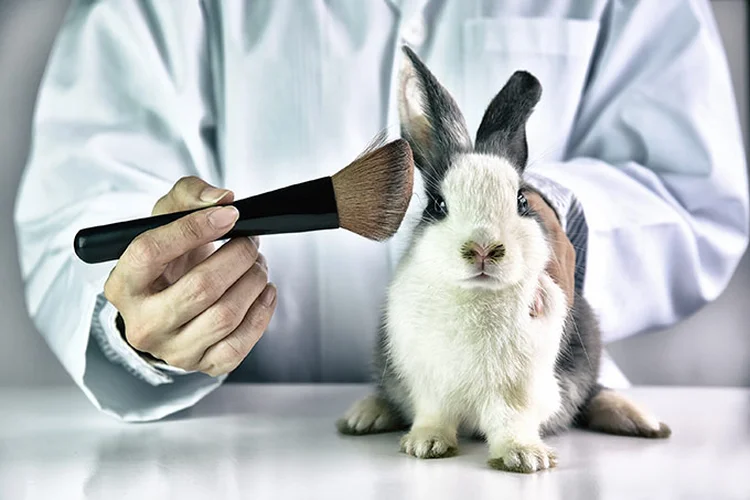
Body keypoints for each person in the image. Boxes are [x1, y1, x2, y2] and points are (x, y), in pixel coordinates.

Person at [14, 0, 748, 422]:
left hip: (526, 413)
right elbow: (80, 193)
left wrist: (540, 218)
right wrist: (142, 308)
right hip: (247, 447)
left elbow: (694, 186)